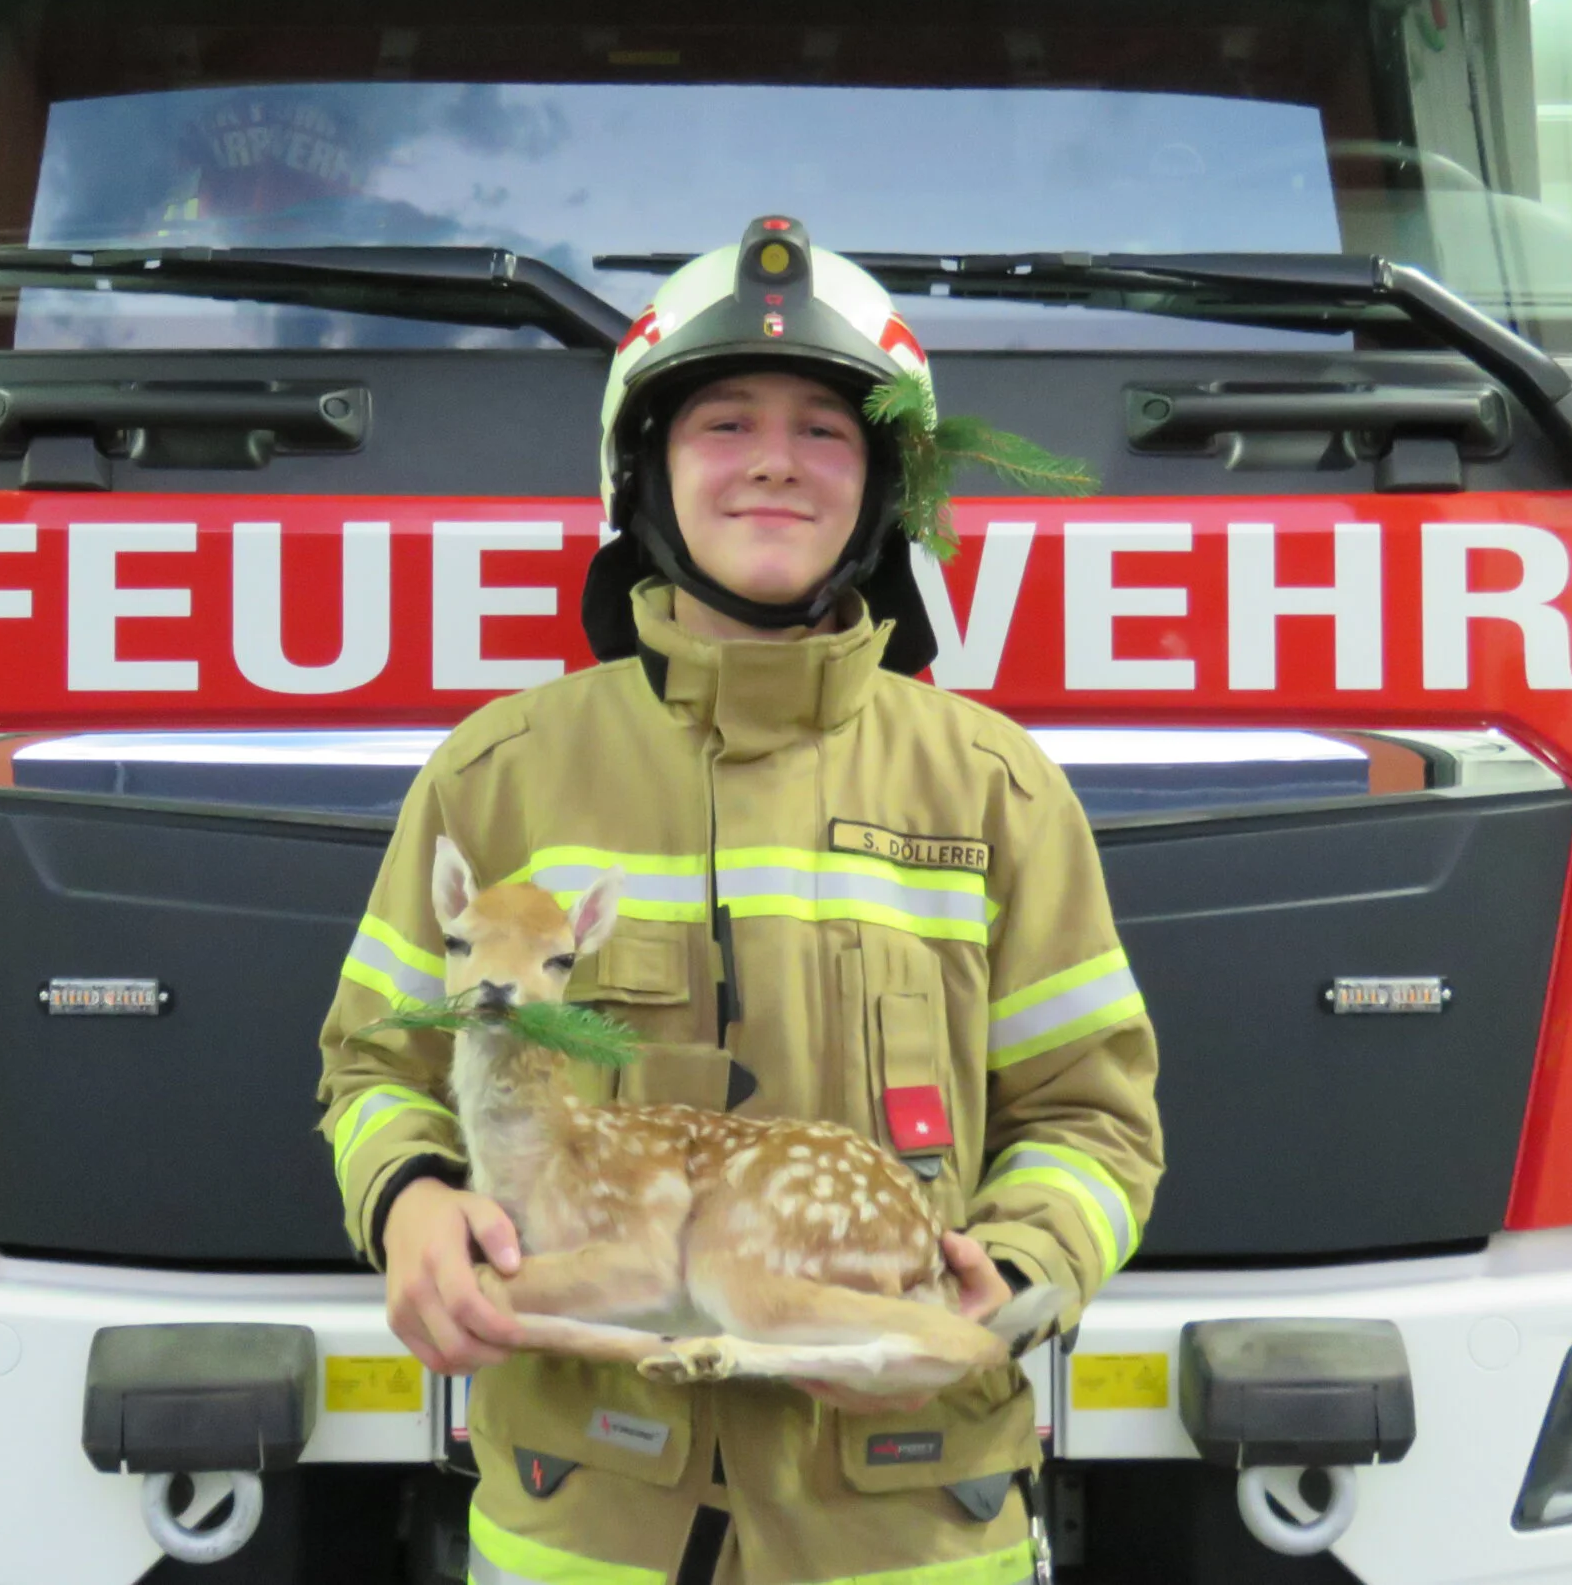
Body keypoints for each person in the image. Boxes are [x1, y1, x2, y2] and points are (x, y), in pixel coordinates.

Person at [318, 216, 1161, 1585]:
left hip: (909, 1520)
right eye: (723, 420)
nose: (774, 456)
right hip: (580, 1513)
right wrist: (411, 1200)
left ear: (882, 488)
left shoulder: (997, 789)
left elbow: (1094, 1117)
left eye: (826, 429)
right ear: (642, 473)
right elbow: (376, 1065)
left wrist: (1009, 1274)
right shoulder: (498, 777)